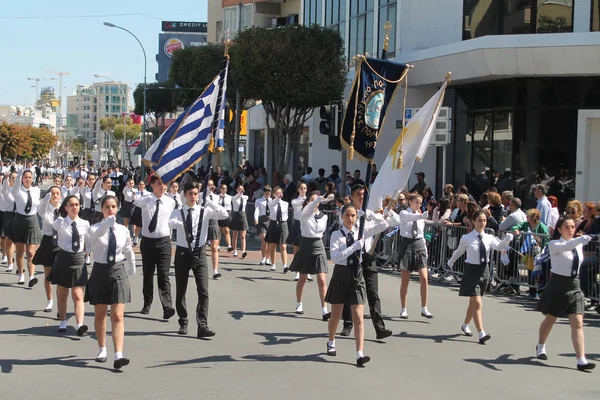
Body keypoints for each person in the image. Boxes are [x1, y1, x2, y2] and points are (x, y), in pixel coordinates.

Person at [325, 204, 388, 367]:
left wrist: (370, 214)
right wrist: (354, 247)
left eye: (353, 215)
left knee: (358, 316)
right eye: (347, 215)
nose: (350, 219)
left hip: (356, 274)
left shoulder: (361, 231)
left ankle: (360, 354)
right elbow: (335, 257)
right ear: (342, 216)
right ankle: (331, 341)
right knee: (336, 315)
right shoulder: (336, 235)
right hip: (341, 274)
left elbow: (383, 225)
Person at [535, 216, 596, 371]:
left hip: (574, 284)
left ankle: (581, 359)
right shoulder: (554, 244)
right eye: (567, 227)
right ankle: (541, 345)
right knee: (550, 318)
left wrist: (584, 239)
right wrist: (581, 239)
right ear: (559, 229)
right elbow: (567, 246)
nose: (570, 230)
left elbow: (575, 248)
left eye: (572, 227)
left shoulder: (577, 244)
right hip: (558, 284)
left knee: (577, 322)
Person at [169, 181, 229, 338]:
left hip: (200, 252)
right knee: (181, 289)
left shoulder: (205, 211)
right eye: (190, 194)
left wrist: (208, 200)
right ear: (185, 195)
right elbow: (170, 222)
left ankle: (202, 324)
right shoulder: (179, 211)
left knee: (203, 290)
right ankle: (183, 321)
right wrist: (177, 223)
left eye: (196, 194)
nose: (193, 197)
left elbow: (225, 214)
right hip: (182, 253)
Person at [339, 184, 398, 339]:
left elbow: (383, 225)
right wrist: (360, 217)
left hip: (368, 256)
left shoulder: (368, 213)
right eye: (358, 194)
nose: (361, 196)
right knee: (349, 291)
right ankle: (347, 324)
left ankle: (380, 328)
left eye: (364, 194)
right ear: (352, 196)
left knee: (373, 293)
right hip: (353, 256)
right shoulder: (347, 213)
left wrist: (372, 215)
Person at [85, 196, 136, 370]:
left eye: (113, 206)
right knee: (100, 314)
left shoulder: (123, 229)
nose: (110, 210)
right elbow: (91, 243)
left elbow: (128, 249)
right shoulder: (94, 228)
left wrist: (132, 264)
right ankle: (102, 348)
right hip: (100, 270)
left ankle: (118, 354)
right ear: (101, 209)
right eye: (107, 207)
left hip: (118, 270)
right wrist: (105, 225)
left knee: (118, 315)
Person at [448, 210, 513, 344]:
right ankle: (481, 333)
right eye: (479, 220)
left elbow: (499, 247)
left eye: (484, 221)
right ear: (473, 221)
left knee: (474, 303)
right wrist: (451, 261)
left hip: (484, 271)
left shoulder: (489, 237)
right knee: (477, 302)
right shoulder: (467, 238)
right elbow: (459, 251)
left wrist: (507, 239)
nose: (482, 223)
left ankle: (465, 324)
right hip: (471, 271)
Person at [135, 175, 176, 319]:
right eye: (159, 183)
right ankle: (147, 301)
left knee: (164, 275)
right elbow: (136, 200)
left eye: (164, 184)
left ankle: (167, 306)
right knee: (148, 273)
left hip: (164, 242)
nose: (162, 186)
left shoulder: (171, 202)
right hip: (148, 242)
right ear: (152, 185)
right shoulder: (146, 200)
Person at [49, 195, 91, 335]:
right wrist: (54, 205)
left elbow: (89, 241)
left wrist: (88, 254)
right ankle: (63, 321)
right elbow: (53, 224)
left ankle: (80, 324)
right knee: (62, 293)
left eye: (77, 205)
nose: (74, 207)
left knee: (78, 294)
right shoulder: (60, 222)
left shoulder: (85, 223)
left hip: (78, 258)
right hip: (64, 258)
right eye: (71, 205)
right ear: (66, 207)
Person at [288, 191, 331, 320]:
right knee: (302, 277)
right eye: (312, 200)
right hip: (306, 244)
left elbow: (321, 231)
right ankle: (299, 303)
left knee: (322, 279)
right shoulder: (304, 214)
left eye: (317, 201)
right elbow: (306, 207)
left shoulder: (324, 216)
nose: (315, 203)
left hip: (318, 245)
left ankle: (324, 310)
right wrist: (314, 201)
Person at [397, 193, 433, 319]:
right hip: (407, 243)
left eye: (420, 203)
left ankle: (424, 308)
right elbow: (408, 218)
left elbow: (421, 233)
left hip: (419, 243)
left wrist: (425, 249)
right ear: (410, 201)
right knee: (405, 279)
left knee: (424, 277)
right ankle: (403, 308)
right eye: (416, 202)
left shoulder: (420, 215)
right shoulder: (404, 213)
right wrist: (420, 215)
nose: (418, 205)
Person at [9, 170, 42, 287]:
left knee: (31, 252)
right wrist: (18, 175)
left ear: (32, 179)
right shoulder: (17, 190)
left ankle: (32, 276)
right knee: (19, 251)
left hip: (32, 219)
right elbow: (16, 185)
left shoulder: (36, 190)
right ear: (22, 179)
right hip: (20, 220)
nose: (28, 179)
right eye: (25, 177)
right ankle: (21, 274)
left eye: (30, 177)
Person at [33, 186, 62, 313]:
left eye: (57, 193)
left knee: (61, 276)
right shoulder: (45, 208)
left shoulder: (64, 208)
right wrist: (46, 199)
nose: (55, 195)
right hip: (48, 241)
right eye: (53, 193)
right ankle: (50, 301)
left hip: (61, 243)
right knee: (48, 273)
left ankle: (61, 304)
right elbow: (40, 210)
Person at [286, 182, 312, 281]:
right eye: (301, 188)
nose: (303, 190)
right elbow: (297, 204)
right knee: (296, 249)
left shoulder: (309, 200)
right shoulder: (295, 200)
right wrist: (309, 201)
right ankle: (297, 271)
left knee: (307, 249)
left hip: (307, 224)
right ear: (298, 189)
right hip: (297, 224)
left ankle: (307, 271)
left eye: (304, 188)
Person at [265, 186, 289, 272]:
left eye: (280, 193)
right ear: (274, 194)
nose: (279, 195)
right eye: (277, 193)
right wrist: (277, 199)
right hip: (273, 223)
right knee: (273, 245)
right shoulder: (271, 202)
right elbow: (272, 204)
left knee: (283, 245)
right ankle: (273, 264)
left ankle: (285, 265)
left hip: (282, 224)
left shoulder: (285, 203)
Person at [202, 179, 222, 279]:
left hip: (213, 220)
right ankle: (200, 268)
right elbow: (204, 200)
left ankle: (215, 270)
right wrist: (208, 191)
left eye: (212, 184)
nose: (210, 186)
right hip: (203, 221)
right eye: (208, 185)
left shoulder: (216, 196)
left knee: (214, 247)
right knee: (202, 247)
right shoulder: (202, 195)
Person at [1, 172, 17, 273]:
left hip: (18, 216)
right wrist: (6, 180)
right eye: (12, 178)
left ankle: (17, 264)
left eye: (16, 178)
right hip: (9, 215)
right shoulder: (7, 190)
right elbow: (3, 190)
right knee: (9, 241)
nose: (14, 180)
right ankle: (10, 263)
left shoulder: (21, 191)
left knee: (17, 241)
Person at [254, 186, 272, 266]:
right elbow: (257, 210)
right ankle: (263, 257)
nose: (267, 195)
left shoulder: (273, 201)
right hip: (262, 219)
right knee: (264, 240)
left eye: (269, 193)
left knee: (269, 242)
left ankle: (268, 258)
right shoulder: (259, 201)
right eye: (266, 193)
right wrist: (256, 218)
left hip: (270, 220)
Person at [229, 185, 249, 259]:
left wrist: (241, 194)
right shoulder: (234, 198)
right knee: (235, 234)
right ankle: (235, 250)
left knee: (243, 235)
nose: (241, 190)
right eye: (239, 189)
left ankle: (243, 251)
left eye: (242, 189)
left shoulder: (245, 197)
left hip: (243, 215)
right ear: (237, 190)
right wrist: (239, 194)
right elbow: (236, 198)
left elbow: (245, 197)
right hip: (236, 215)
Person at [131, 181, 149, 246]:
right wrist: (134, 195)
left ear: (144, 185)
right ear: (138, 186)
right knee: (138, 225)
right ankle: (135, 237)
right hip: (138, 209)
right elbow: (135, 202)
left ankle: (145, 239)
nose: (141, 185)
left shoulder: (148, 194)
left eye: (142, 184)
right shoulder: (136, 193)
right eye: (140, 184)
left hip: (145, 210)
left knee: (145, 225)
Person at [217, 183, 232, 257]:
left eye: (225, 188)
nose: (224, 190)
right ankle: (218, 245)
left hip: (226, 213)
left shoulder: (229, 197)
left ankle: (229, 245)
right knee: (219, 230)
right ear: (220, 189)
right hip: (219, 213)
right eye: (223, 188)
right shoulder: (217, 197)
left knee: (226, 230)